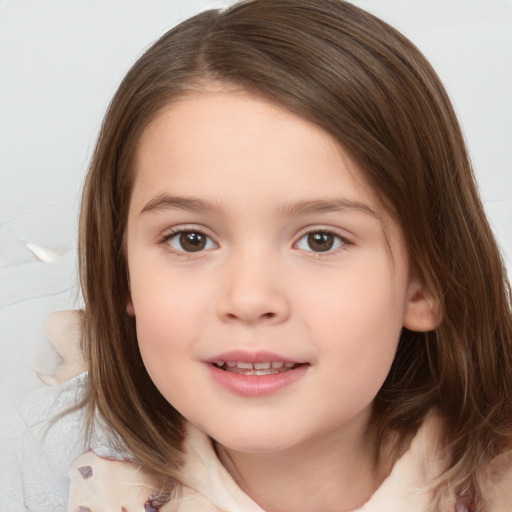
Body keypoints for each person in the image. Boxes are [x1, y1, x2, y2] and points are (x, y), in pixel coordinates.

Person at [2, 0, 511, 510]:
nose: (248, 299)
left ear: (425, 282)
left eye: (320, 240)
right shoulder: (42, 468)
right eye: (191, 239)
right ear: (122, 275)